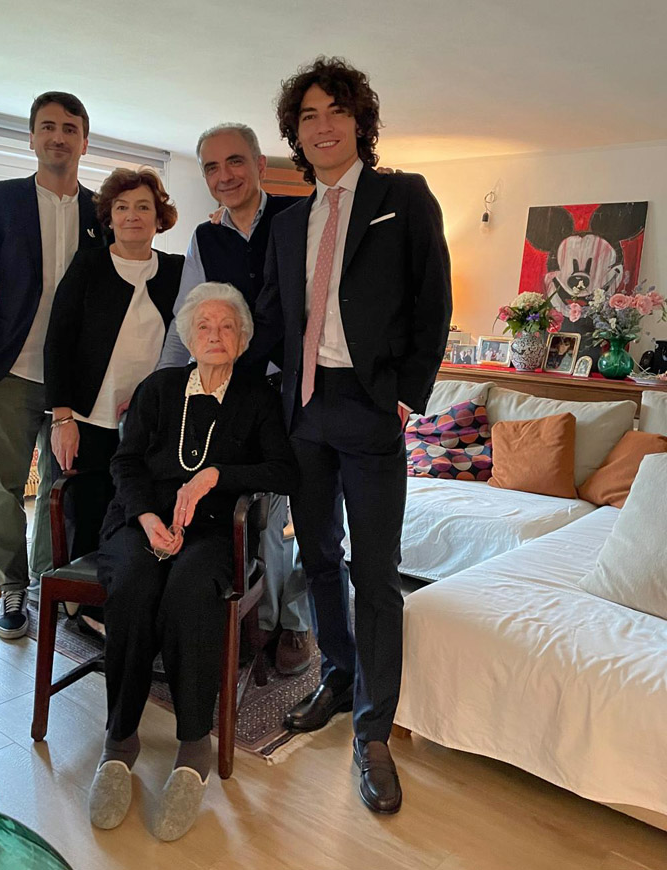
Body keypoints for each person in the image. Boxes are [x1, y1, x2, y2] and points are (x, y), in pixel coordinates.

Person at [246, 57, 452, 814]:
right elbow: (272, 317)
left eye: (336, 110)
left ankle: (374, 730)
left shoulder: (405, 198)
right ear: (296, 135)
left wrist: (404, 397)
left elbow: (433, 302)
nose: (323, 125)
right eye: (308, 115)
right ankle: (337, 675)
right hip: (304, 409)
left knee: (376, 570)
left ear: (360, 121)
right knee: (317, 557)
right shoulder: (286, 222)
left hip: (369, 408)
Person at [89, 282, 298, 840]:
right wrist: (144, 518)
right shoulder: (158, 390)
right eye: (204, 326)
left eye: (227, 326)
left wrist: (215, 476)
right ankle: (120, 740)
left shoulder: (257, 398)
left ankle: (192, 746)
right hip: (142, 521)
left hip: (212, 531)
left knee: (189, 593)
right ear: (187, 336)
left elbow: (283, 471)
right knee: (132, 584)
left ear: (243, 339)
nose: (215, 335)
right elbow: (126, 463)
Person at [158, 122, 313, 675]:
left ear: (260, 165)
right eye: (211, 166)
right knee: (256, 510)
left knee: (305, 512)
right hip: (239, 395)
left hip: (297, 387)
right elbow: (188, 316)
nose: (224, 175)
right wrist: (163, 385)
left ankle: (294, 621)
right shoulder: (205, 239)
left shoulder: (299, 217)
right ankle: (257, 619)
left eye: (236, 161)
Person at [0, 91, 104, 640]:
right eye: (48, 126)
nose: (58, 137)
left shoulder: (101, 211)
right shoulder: (1, 199)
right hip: (10, 371)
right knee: (4, 486)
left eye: (69, 128)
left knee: (58, 486)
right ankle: (13, 588)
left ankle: (49, 580)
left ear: (84, 142)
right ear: (32, 138)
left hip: (74, 380)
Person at [44, 168, 183, 559]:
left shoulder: (177, 271)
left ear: (159, 218)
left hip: (150, 421)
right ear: (109, 217)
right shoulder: (87, 265)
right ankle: (84, 592)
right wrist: (62, 420)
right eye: (121, 207)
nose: (132, 215)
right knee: (86, 518)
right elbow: (58, 343)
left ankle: (132, 585)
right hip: (88, 419)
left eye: (143, 207)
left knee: (140, 513)